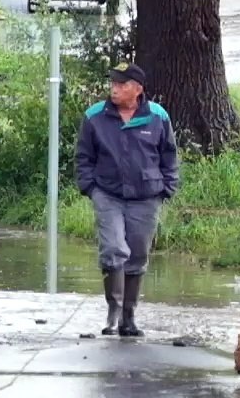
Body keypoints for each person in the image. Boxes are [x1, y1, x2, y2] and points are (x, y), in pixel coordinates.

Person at [75, 62, 180, 338]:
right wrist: (90, 188)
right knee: (113, 249)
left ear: (138, 89)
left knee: (137, 255)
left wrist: (167, 187)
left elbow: (169, 155)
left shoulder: (157, 116)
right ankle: (114, 310)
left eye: (122, 84)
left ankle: (129, 318)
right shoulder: (95, 116)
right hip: (107, 194)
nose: (115, 89)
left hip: (146, 197)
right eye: (113, 84)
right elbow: (84, 156)